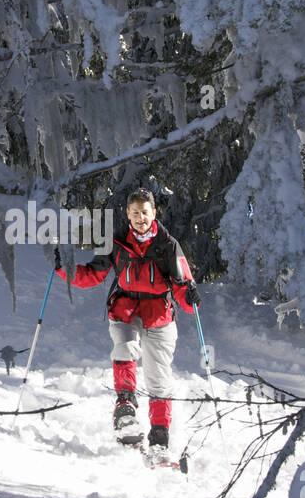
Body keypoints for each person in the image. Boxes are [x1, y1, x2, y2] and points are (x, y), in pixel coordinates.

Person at [55, 188, 200, 460]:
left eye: (145, 212)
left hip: (159, 313)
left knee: (158, 376)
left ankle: (159, 436)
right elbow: (93, 275)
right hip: (125, 309)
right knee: (125, 347)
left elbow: (183, 283)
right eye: (135, 213)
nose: (140, 218)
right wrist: (66, 268)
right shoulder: (116, 241)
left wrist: (191, 299)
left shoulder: (168, 244)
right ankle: (125, 408)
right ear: (128, 215)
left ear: (154, 213)